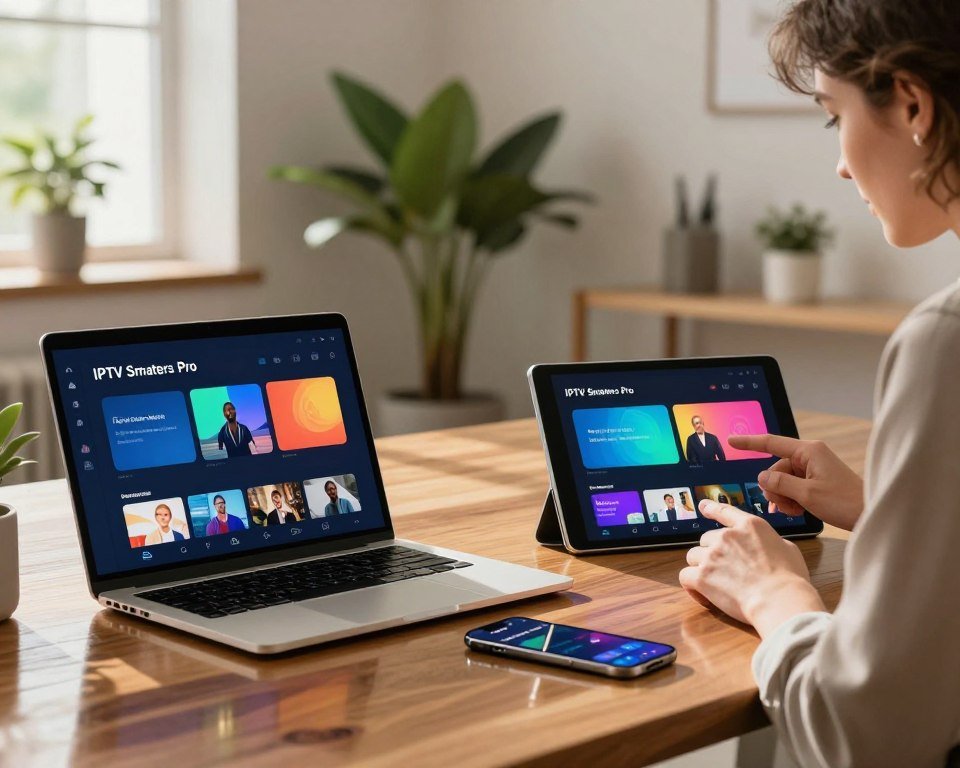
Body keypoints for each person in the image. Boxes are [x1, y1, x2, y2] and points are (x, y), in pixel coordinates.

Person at [677, 2, 960, 766]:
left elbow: (872, 733)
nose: (839, 161)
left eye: (834, 115)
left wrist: (775, 594)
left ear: (912, 105)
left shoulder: (947, 339)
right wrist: (884, 514)